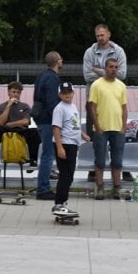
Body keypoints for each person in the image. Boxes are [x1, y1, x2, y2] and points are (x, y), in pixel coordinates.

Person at [82, 24, 126, 181]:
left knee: (116, 146)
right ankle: (93, 174)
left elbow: (122, 74)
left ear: (109, 34)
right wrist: (108, 74)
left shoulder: (119, 51)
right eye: (97, 35)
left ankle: (116, 182)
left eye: (102, 35)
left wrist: (99, 71)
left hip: (113, 102)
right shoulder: (89, 52)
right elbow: (87, 76)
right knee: (94, 140)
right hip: (93, 100)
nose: (100, 38)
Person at [88, 58, 128, 200]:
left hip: (117, 129)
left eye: (116, 67)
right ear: (105, 68)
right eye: (111, 67)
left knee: (117, 161)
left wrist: (124, 127)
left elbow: (124, 108)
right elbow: (92, 107)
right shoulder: (96, 85)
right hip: (101, 129)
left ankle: (116, 188)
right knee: (100, 160)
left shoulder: (121, 86)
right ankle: (99, 187)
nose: (114, 69)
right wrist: (97, 126)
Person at [0, 81, 40, 175]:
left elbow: (26, 121)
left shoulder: (25, 106)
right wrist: (8, 106)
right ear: (8, 92)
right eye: (14, 92)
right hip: (5, 131)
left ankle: (33, 160)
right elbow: (0, 122)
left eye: (18, 92)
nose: (16, 94)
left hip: (20, 130)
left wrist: (10, 123)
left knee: (34, 132)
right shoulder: (0, 106)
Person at [51, 81, 85, 216]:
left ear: (73, 93)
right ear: (60, 94)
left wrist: (82, 134)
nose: (67, 95)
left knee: (69, 175)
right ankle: (59, 203)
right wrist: (59, 147)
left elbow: (73, 123)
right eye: (64, 93)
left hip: (73, 144)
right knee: (65, 175)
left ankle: (63, 202)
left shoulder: (73, 106)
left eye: (69, 92)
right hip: (64, 143)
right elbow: (56, 128)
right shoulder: (59, 108)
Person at [32, 51, 63, 200]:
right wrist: (58, 121)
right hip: (48, 120)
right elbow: (52, 103)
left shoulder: (42, 76)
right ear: (57, 62)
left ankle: (43, 187)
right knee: (48, 155)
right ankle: (43, 189)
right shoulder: (52, 78)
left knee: (47, 154)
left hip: (40, 119)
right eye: (61, 59)